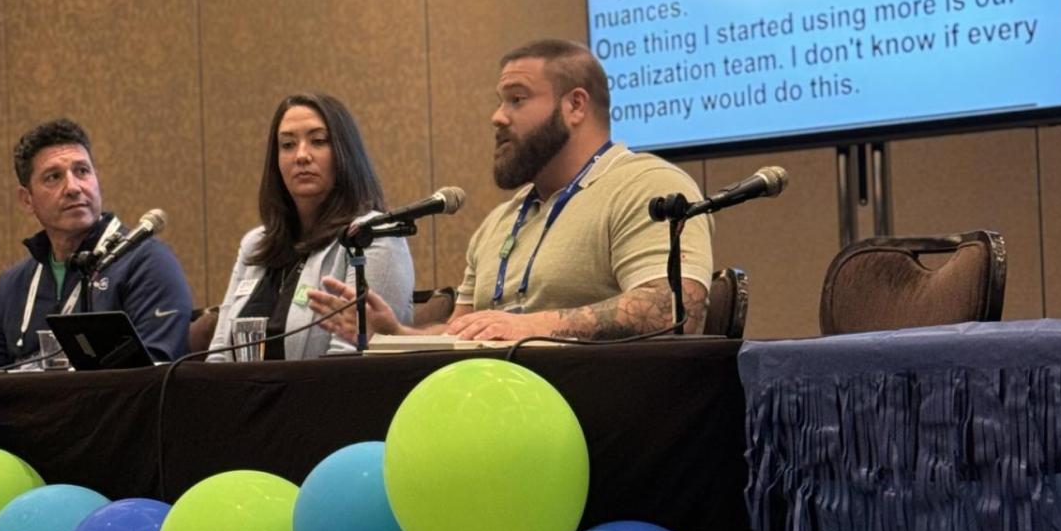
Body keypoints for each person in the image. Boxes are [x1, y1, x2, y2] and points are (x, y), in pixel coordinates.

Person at [309, 39, 711, 344]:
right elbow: (463, 335)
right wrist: (393, 334)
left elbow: (675, 308)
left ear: (575, 106)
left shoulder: (647, 186)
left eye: (517, 99)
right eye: (501, 102)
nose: (497, 117)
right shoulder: (500, 222)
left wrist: (531, 326)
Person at [0, 118, 192, 371]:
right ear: (27, 199)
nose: (73, 187)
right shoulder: (13, 284)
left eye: (82, 171)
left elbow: (156, 371)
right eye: (53, 177)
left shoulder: (146, 262)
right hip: (23, 422)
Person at [208, 92, 413, 361]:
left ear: (344, 153)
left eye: (318, 141)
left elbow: (348, 361)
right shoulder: (255, 244)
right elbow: (218, 355)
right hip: (242, 400)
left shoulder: (372, 236)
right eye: (288, 145)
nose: (301, 156)